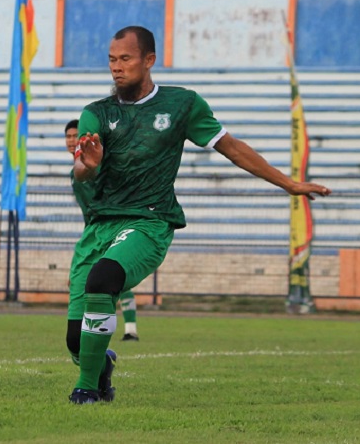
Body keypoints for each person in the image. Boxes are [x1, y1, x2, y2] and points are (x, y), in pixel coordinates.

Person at [68, 26, 332, 404]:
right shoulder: (96, 113)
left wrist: (289, 184)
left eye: (125, 59)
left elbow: (232, 147)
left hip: (149, 221)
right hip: (99, 226)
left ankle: (86, 390)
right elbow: (83, 169)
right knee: (76, 343)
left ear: (149, 60)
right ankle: (99, 366)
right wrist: (88, 165)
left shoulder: (182, 105)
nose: (116, 67)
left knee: (103, 278)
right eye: (112, 59)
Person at [65, 119, 139, 346]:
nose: (71, 140)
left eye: (75, 136)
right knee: (89, 283)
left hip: (111, 228)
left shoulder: (99, 168)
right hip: (94, 231)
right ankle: (95, 337)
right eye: (68, 136)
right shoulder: (74, 173)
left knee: (110, 279)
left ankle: (128, 330)